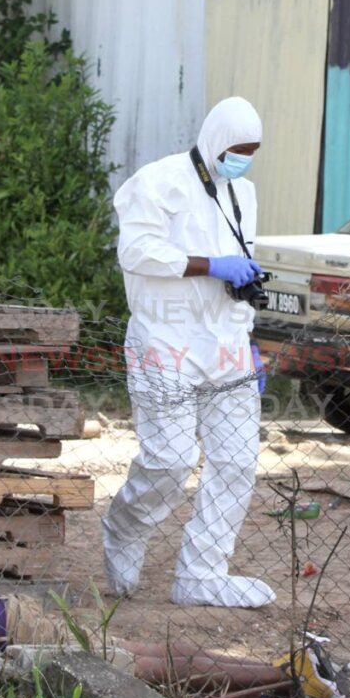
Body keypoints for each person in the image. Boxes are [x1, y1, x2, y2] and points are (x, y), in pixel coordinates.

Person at [101, 97, 275, 608]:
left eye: (251, 151)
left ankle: (202, 572)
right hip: (165, 340)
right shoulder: (158, 182)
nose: (242, 159)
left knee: (237, 461)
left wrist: (249, 341)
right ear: (215, 139)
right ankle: (123, 531)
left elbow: (241, 274)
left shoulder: (244, 192)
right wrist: (209, 265)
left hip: (226, 345)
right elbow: (136, 251)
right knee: (170, 459)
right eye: (237, 149)